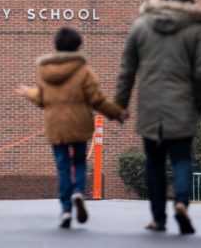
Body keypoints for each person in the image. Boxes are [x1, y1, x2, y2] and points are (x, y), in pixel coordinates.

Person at [114, 0, 201, 235]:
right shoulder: (196, 28)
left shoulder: (141, 26)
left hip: (150, 107)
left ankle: (158, 218)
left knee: (154, 163)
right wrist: (198, 103)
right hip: (182, 106)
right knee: (181, 159)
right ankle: (181, 201)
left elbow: (127, 69)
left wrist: (120, 104)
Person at [16, 27, 126, 229]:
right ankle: (78, 192)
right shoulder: (84, 70)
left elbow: (42, 98)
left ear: (56, 46)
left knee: (63, 166)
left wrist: (28, 92)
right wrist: (116, 113)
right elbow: (96, 99)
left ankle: (66, 209)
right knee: (79, 162)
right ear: (78, 46)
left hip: (55, 126)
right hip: (79, 123)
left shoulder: (44, 70)